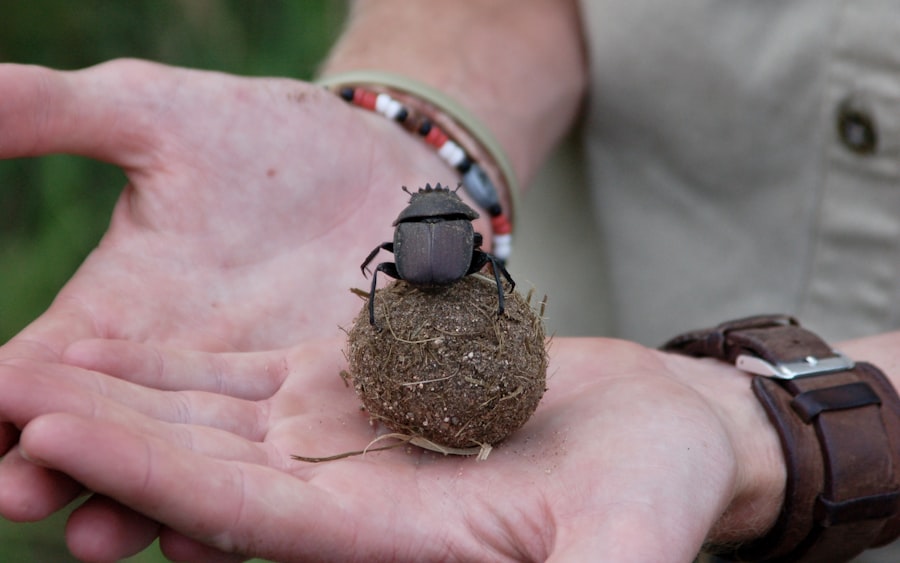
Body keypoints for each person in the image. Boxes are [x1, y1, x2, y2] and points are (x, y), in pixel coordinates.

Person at [0, 1, 897, 561]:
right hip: (572, 387)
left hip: (593, 400)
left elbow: (387, 272)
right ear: (451, 228)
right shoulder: (449, 246)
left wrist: (775, 433)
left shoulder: (406, 249)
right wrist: (423, 128)